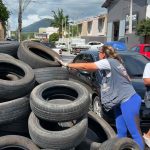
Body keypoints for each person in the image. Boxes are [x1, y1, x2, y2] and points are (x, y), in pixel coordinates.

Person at [55, 45, 144, 150]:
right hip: (120, 102)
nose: (98, 54)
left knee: (135, 133)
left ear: (103, 54)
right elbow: (127, 79)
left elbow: (86, 66)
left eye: (99, 52)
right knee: (121, 133)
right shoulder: (117, 63)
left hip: (129, 100)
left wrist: (68, 64)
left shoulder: (108, 62)